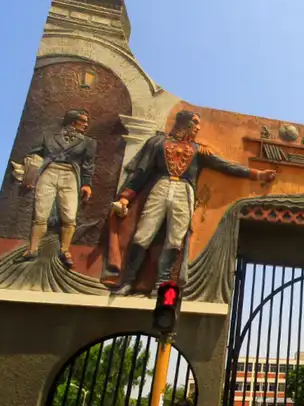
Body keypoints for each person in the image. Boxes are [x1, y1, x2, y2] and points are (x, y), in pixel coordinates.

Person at [109, 111, 278, 294]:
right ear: (184, 123)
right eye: (195, 123)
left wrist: (257, 174)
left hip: (184, 191)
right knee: (143, 234)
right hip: (161, 187)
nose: (198, 127)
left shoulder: (198, 150)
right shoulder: (159, 144)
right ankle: (128, 281)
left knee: (175, 239)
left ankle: (161, 285)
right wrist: (126, 196)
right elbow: (142, 172)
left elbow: (225, 166)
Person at [19, 109, 97, 268]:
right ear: (72, 121)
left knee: (69, 215)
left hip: (70, 176)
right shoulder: (48, 136)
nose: (86, 124)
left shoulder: (88, 142)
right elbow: (33, 155)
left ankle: (65, 250)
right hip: (49, 172)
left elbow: (88, 165)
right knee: (41, 212)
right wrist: (29, 175)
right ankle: (32, 249)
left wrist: (87, 184)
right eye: (83, 121)